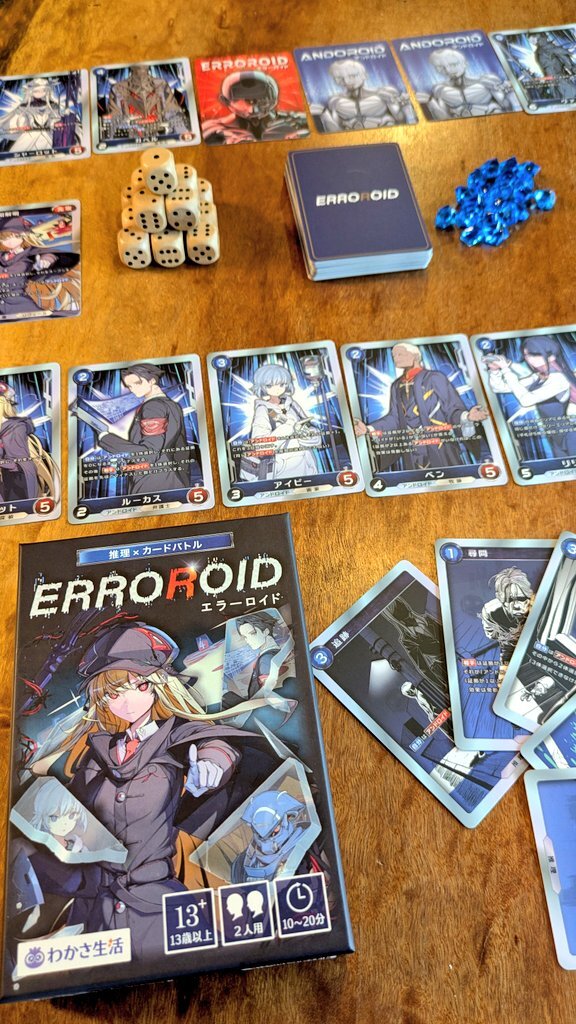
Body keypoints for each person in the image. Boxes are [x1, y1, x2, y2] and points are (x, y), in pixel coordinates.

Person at [27, 621, 249, 961]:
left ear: (158, 684)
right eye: (114, 693)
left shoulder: (174, 737)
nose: (127, 701)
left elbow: (216, 744)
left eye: (140, 685)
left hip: (156, 906)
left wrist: (212, 765)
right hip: (96, 910)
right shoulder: (95, 753)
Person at [354, 342, 488, 472]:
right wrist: (369, 429)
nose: (396, 358)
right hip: (412, 451)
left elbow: (451, 409)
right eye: (394, 356)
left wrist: (467, 417)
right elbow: (394, 418)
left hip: (439, 446)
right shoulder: (396, 385)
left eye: (400, 354)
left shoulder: (435, 378)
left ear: (415, 356)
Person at [97, 363, 195, 493]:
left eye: (137, 383)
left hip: (152, 482)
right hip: (172, 479)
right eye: (129, 386)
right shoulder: (171, 405)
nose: (133, 389)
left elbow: (149, 454)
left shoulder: (153, 407)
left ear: (152, 380)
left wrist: (105, 438)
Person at [485, 335, 576, 460]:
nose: (529, 359)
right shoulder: (538, 377)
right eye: (526, 355)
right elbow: (500, 388)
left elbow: (526, 400)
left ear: (550, 355)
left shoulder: (558, 379)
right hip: (554, 436)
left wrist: (506, 369)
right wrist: (495, 371)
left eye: (534, 355)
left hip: (569, 435)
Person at [240, 363, 321, 482]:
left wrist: (311, 435)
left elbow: (308, 425)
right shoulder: (263, 409)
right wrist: (288, 428)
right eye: (270, 385)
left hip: (305, 462)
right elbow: (260, 445)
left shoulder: (291, 403)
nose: (277, 388)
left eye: (282, 384)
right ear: (262, 386)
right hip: (280, 467)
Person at [0, 215, 80, 318]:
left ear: (24, 236)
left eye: (16, 236)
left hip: (18, 302)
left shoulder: (30, 253)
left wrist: (45, 261)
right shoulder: (2, 255)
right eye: (5, 238)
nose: (10, 241)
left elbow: (49, 255)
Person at [203, 70, 308, 144]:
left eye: (260, 101)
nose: (252, 109)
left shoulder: (297, 121)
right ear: (225, 100)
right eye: (246, 101)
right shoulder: (213, 129)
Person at [311, 58, 413, 130]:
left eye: (352, 76)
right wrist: (324, 114)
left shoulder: (385, 92)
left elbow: (401, 120)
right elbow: (335, 131)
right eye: (339, 78)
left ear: (365, 75)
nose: (347, 81)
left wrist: (403, 106)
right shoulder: (335, 101)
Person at [0, 381, 59, 503]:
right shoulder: (11, 426)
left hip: (18, 475)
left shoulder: (15, 427)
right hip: (12, 473)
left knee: (21, 507)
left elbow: (17, 459)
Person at [416, 48, 515, 119]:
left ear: (465, 64)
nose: (448, 70)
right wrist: (431, 102)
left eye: (453, 64)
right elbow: (444, 118)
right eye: (441, 67)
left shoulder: (487, 81)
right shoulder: (440, 90)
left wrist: (508, 93)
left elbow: (507, 106)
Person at [481, 567, 534, 681]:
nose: (516, 605)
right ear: (500, 598)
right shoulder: (491, 611)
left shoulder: (537, 607)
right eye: (510, 600)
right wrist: (509, 637)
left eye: (521, 598)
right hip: (508, 646)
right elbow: (491, 634)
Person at [107, 64, 189, 138]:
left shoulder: (161, 85)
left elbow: (173, 113)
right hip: (132, 139)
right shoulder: (118, 89)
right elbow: (115, 120)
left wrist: (183, 134)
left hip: (160, 137)